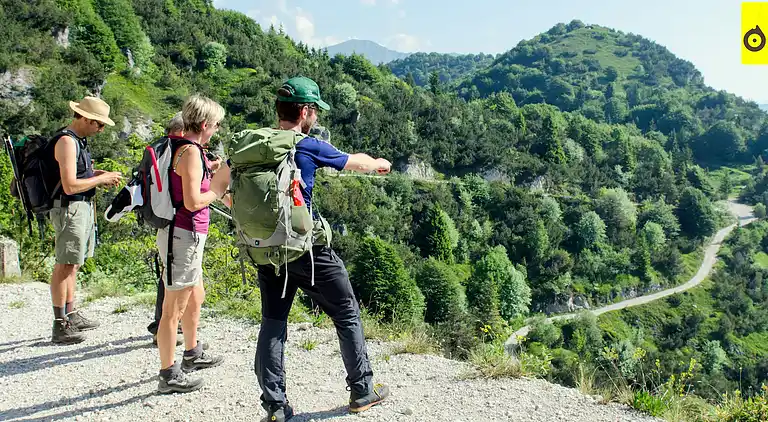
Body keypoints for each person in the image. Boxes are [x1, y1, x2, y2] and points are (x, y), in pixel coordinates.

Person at [222, 76, 391, 421]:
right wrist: (377, 163)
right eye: (314, 111)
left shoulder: (249, 146)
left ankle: (274, 407)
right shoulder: (305, 145)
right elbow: (353, 162)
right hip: (307, 250)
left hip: (265, 250)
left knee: (273, 322)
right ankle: (362, 391)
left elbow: (219, 187)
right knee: (345, 311)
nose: (316, 117)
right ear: (305, 111)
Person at [155, 95, 228, 394]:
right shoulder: (191, 153)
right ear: (206, 124)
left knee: (196, 295)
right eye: (216, 125)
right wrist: (218, 188)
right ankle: (169, 374)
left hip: (186, 236)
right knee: (173, 307)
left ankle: (192, 352)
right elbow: (193, 200)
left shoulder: (183, 147)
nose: (217, 131)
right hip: (182, 235)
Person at [49, 96, 123, 345]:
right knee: (65, 264)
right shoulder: (67, 142)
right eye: (99, 125)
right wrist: (100, 180)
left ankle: (71, 313)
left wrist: (97, 174)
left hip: (80, 207)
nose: (101, 130)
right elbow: (70, 186)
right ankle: (60, 324)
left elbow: (77, 175)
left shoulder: (78, 141)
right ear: (86, 119)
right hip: (70, 207)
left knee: (74, 263)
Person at [147, 112, 185, 347]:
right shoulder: (177, 151)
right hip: (177, 222)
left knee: (168, 273)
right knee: (174, 277)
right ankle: (166, 328)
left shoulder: (159, 147)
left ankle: (167, 324)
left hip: (162, 219)